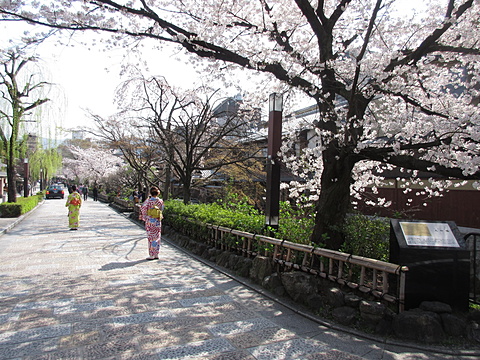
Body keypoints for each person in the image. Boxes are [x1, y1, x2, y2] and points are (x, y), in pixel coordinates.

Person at [140, 186, 164, 260]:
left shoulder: (148, 201)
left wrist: (145, 217)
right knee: (157, 237)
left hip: (150, 220)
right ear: (158, 193)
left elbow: (143, 209)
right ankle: (156, 253)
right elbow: (162, 209)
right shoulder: (160, 201)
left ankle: (151, 254)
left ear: (150, 192)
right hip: (157, 220)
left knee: (151, 237)